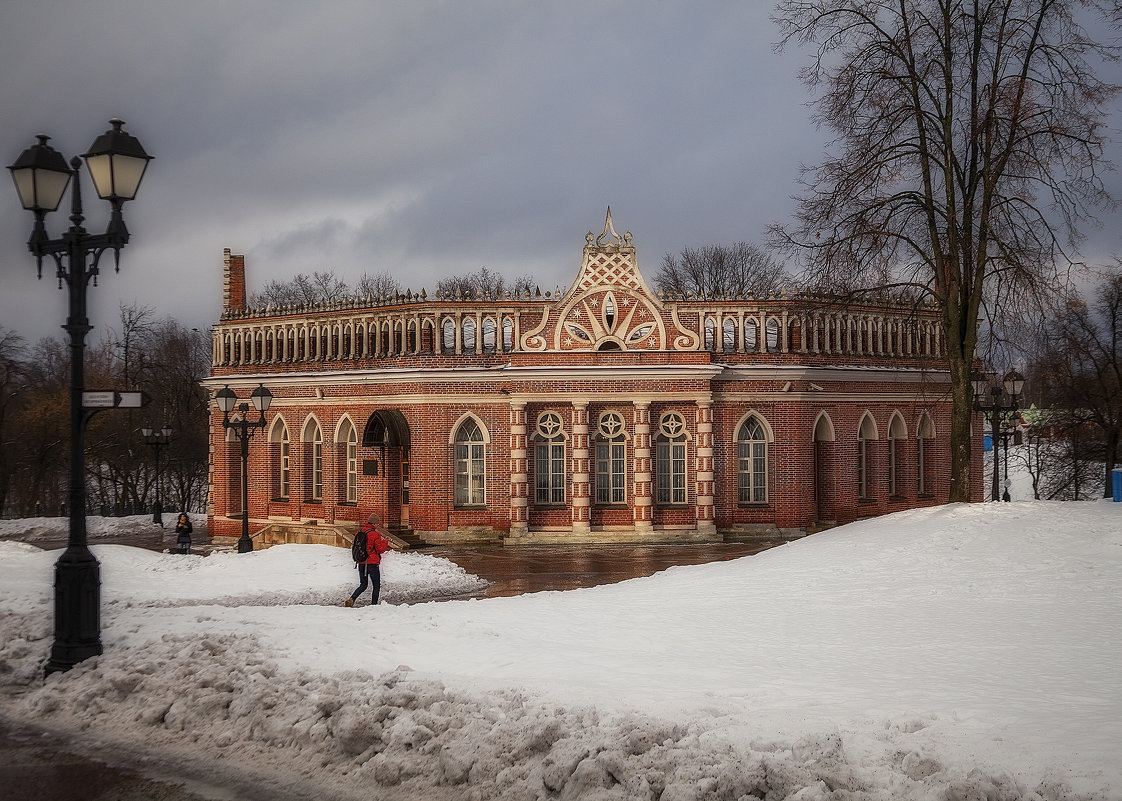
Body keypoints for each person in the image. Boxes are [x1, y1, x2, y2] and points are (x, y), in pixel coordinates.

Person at [346, 512, 390, 607]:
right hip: (372, 563)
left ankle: (352, 599)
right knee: (376, 585)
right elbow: (380, 549)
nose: (378, 525)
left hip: (361, 562)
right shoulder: (375, 534)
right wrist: (385, 542)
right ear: (373, 523)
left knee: (363, 585)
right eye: (377, 524)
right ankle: (373, 605)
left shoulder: (359, 532)